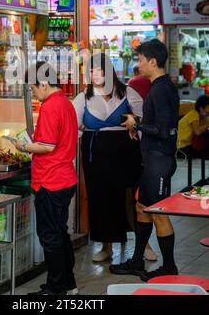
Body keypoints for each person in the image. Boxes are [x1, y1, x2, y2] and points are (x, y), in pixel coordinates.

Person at [110, 39, 180, 281]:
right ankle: (137, 261)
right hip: (152, 159)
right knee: (142, 206)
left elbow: (164, 130)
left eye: (140, 60)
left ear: (152, 61)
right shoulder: (159, 86)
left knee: (158, 212)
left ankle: (169, 267)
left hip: (160, 160)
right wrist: (138, 123)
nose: (138, 65)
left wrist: (136, 123)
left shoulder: (161, 89)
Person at [13, 62, 78, 295]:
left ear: (43, 83)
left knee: (50, 236)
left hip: (51, 179)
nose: (34, 93)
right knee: (60, 233)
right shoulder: (66, 103)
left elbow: (46, 146)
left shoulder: (51, 106)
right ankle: (68, 284)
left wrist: (24, 146)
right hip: (65, 178)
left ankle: (56, 288)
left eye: (33, 89)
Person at [73, 53, 143, 263]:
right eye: (91, 71)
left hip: (125, 153)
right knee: (100, 198)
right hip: (95, 156)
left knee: (130, 197)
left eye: (99, 70)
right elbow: (73, 128)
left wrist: (135, 121)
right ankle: (106, 246)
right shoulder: (83, 97)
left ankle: (143, 243)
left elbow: (143, 120)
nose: (95, 75)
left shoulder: (127, 92)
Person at [128, 64, 157, 262]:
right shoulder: (155, 85)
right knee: (144, 201)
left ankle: (143, 248)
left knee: (137, 201)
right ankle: (145, 247)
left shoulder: (132, 85)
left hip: (136, 145)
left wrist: (135, 125)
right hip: (146, 147)